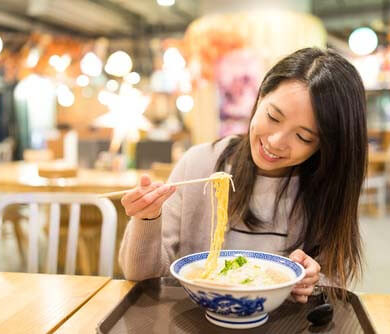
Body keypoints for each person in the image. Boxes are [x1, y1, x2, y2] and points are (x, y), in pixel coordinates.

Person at [119, 47, 367, 304]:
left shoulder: (326, 186)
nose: (275, 141)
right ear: (259, 98)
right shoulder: (200, 165)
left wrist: (312, 282)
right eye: (273, 116)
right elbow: (142, 276)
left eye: (303, 137)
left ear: (325, 145)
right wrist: (147, 217)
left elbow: (333, 285)